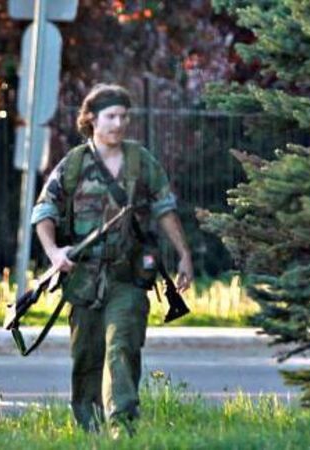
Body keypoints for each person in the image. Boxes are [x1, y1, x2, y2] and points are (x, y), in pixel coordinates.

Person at [30, 83, 194, 437]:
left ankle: (122, 428)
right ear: (91, 118)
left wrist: (184, 254)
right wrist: (54, 253)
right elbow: (44, 211)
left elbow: (165, 209)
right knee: (86, 356)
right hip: (83, 279)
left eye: (124, 116)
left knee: (122, 347)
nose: (119, 124)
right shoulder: (74, 164)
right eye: (111, 116)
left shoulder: (140, 161)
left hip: (128, 276)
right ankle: (89, 431)